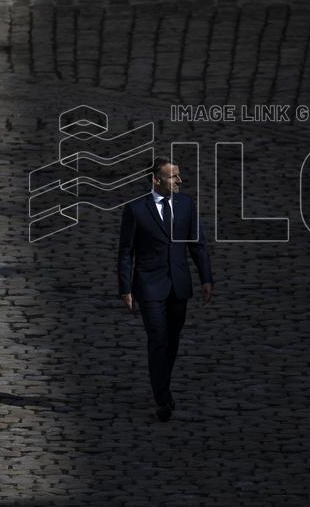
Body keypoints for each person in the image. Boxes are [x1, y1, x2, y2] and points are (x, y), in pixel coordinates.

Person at [117, 157, 214, 422]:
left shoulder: (186, 205)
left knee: (172, 340)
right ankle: (162, 396)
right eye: (173, 177)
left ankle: (162, 381)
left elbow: (197, 245)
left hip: (179, 285)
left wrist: (206, 278)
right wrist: (125, 288)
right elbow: (126, 252)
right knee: (157, 339)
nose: (179, 181)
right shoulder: (136, 210)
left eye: (179, 176)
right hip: (148, 286)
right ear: (156, 180)